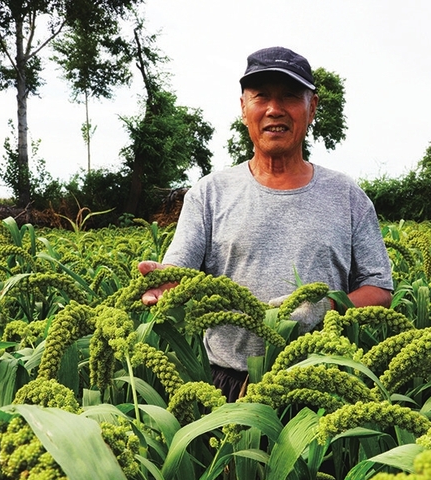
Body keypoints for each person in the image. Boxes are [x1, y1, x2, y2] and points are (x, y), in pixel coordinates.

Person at [138, 46, 393, 401]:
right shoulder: (210, 194)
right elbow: (180, 273)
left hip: (323, 386)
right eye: (261, 97)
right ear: (244, 108)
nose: (275, 109)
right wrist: (166, 285)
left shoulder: (346, 195)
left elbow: (380, 289)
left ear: (312, 107)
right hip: (228, 387)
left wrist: (326, 306)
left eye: (290, 96)